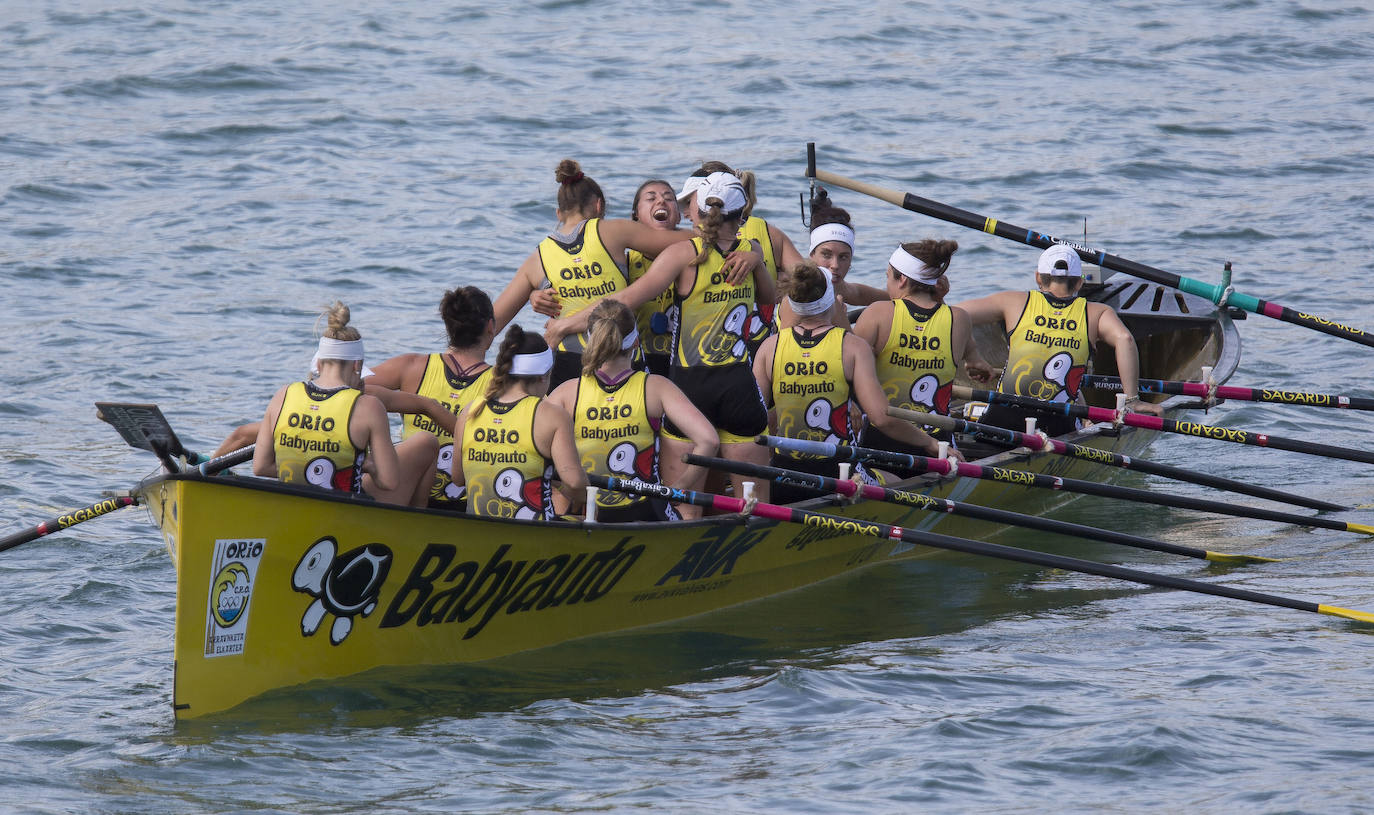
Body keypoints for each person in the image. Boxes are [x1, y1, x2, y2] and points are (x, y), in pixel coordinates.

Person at [545, 170, 776, 512]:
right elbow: (770, 299)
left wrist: (565, 326)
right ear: (742, 215)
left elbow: (624, 300)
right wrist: (756, 258)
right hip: (738, 384)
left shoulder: (685, 254)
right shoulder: (749, 250)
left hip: (689, 384)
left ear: (696, 211)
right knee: (754, 507)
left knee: (684, 508)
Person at [494, 159, 703, 389]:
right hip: (619, 357)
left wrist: (535, 293)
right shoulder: (613, 230)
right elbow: (693, 240)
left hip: (567, 361)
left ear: (558, 214)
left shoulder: (536, 259)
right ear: (598, 206)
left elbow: (491, 324)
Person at [754, 262, 942, 502]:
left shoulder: (769, 347)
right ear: (831, 300)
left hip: (784, 476)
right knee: (897, 481)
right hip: (840, 475)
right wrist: (929, 442)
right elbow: (882, 418)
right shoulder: (853, 347)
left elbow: (755, 418)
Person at [955, 244, 1164, 437]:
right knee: (1070, 390)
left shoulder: (1013, 301)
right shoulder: (1097, 313)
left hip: (1002, 417)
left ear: (1038, 278)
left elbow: (953, 314)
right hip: (1057, 423)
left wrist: (972, 356)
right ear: (1080, 282)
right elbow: (1125, 339)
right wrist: (1131, 401)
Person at [252, 302, 438, 507]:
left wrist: (306, 467)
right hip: (346, 512)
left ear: (320, 364)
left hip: (292, 505)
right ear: (357, 365)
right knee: (427, 441)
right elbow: (389, 481)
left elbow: (260, 467)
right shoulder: (368, 406)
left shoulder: (283, 394)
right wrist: (366, 465)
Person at [547, 299, 718, 522]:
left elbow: (533, 449)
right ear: (636, 341)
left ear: (590, 341)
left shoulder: (565, 393)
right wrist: (678, 490)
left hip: (588, 510)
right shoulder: (657, 387)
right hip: (647, 510)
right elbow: (709, 441)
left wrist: (571, 490)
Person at [853, 239, 996, 471]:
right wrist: (975, 358)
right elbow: (945, 325)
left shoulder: (877, 314)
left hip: (881, 441)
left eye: (888, 276)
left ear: (902, 280)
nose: (886, 283)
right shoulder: (959, 320)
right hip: (939, 446)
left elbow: (847, 370)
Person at [364, 286, 495, 509]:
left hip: (407, 491)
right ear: (491, 328)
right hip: (465, 504)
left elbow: (344, 388)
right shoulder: (500, 383)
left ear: (448, 325)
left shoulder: (411, 366)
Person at [451, 326, 587, 520]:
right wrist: (582, 498)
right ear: (543, 376)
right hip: (536, 532)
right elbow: (574, 483)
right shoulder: (552, 415)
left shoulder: (470, 411)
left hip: (480, 530)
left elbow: (458, 478)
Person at [677, 160, 805, 351]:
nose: (685, 212)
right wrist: (781, 284)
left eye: (689, 202)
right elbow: (807, 282)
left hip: (709, 351)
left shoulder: (690, 244)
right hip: (762, 346)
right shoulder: (770, 233)